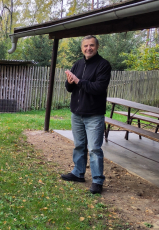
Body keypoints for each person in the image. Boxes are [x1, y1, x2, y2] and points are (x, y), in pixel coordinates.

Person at [61, 35, 112, 194]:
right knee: (79, 145)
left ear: (97, 47)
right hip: (77, 113)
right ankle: (78, 173)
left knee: (94, 148)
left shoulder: (103, 65)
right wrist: (70, 82)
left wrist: (77, 81)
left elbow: (98, 88)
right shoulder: (78, 63)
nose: (88, 48)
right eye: (85, 46)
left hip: (94, 114)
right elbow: (70, 88)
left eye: (91, 45)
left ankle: (97, 180)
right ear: (82, 48)